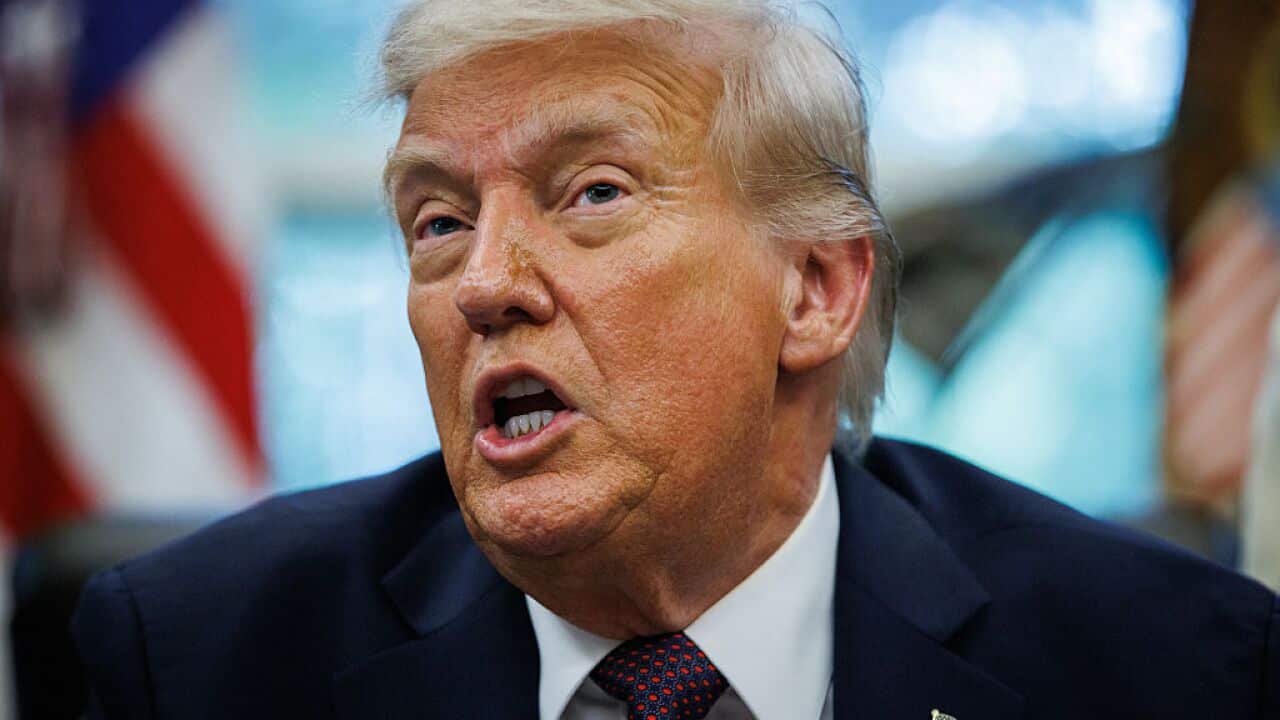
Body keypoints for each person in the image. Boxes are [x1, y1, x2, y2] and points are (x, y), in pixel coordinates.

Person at [73, 1, 1279, 718]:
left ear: (814, 290)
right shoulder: (198, 661)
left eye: (590, 193)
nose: (483, 284)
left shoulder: (1170, 668)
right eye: (437, 220)